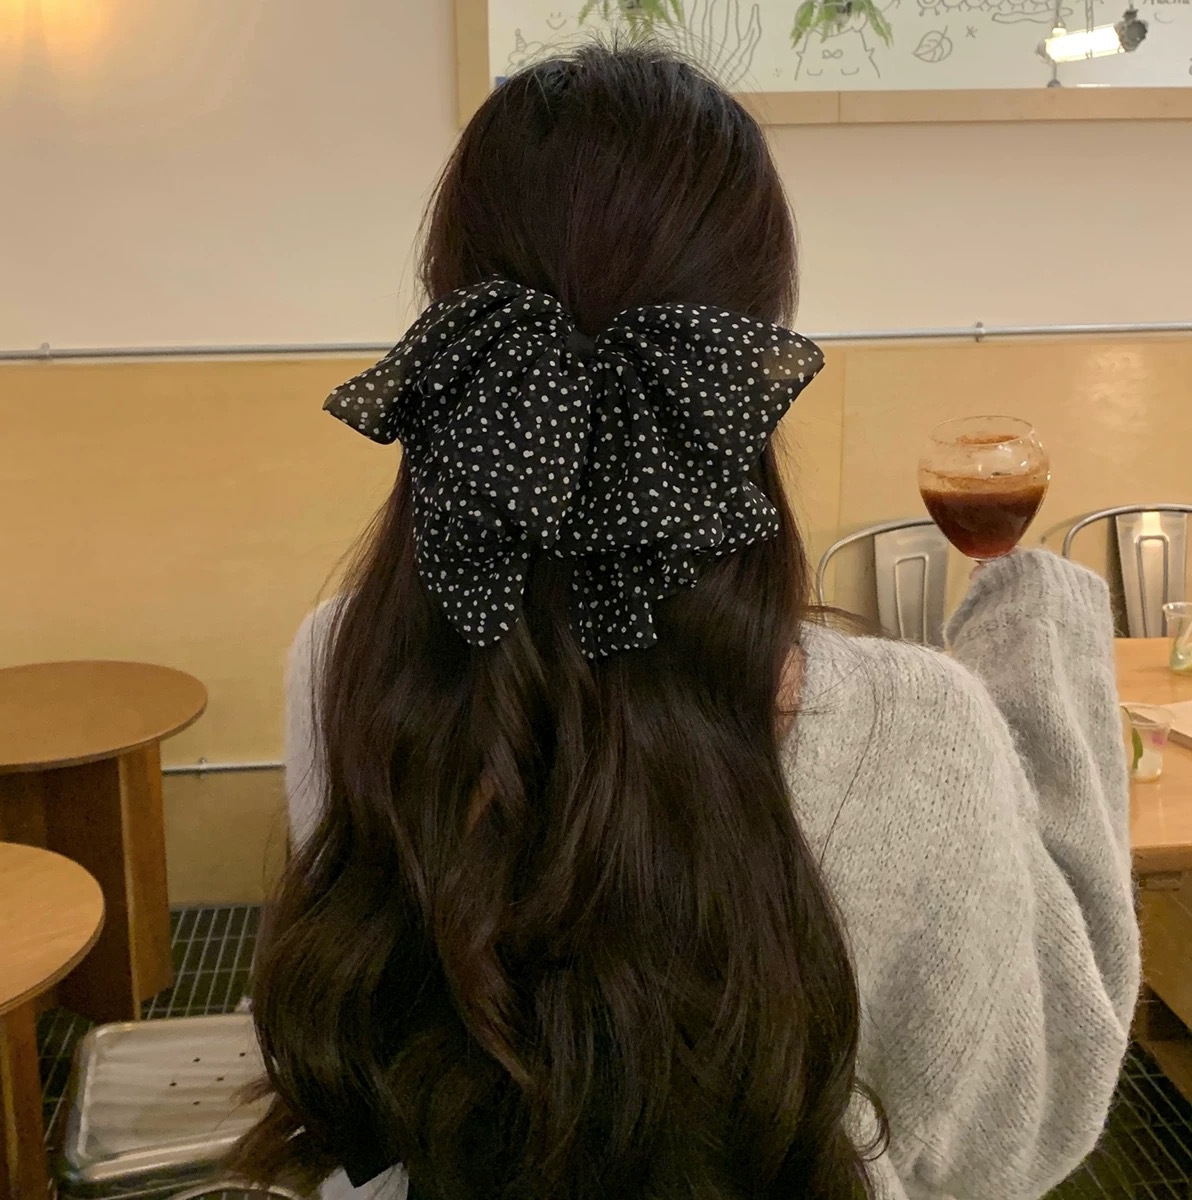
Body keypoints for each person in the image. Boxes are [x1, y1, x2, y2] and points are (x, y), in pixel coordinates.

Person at [231, 43, 1139, 1200]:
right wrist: (1032, 631)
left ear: (455, 334)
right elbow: (1024, 1122)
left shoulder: (340, 662)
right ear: (750, 355)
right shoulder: (925, 729)